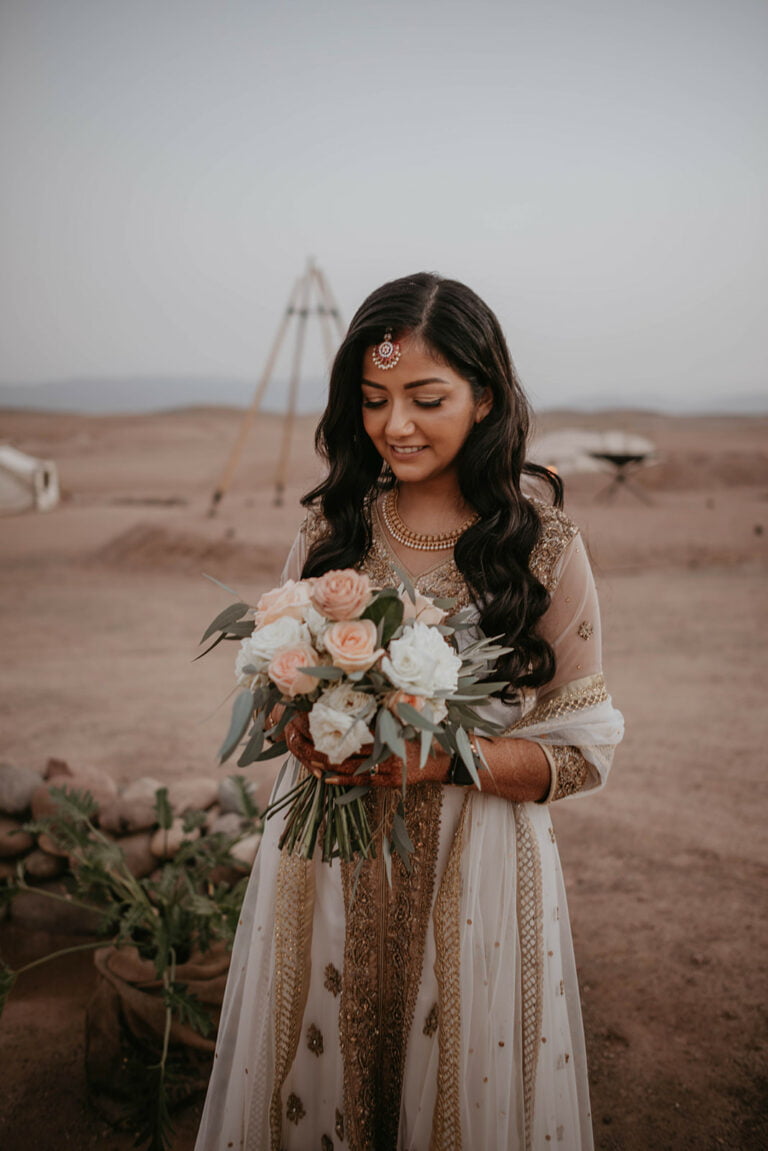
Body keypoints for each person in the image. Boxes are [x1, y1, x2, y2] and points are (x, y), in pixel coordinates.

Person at [195, 272, 624, 1151]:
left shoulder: (541, 544)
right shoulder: (332, 530)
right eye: (374, 398)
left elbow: (583, 754)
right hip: (323, 863)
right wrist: (303, 726)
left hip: (478, 875)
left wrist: (440, 759)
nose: (396, 424)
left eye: (426, 398)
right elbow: (280, 681)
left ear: (485, 398)